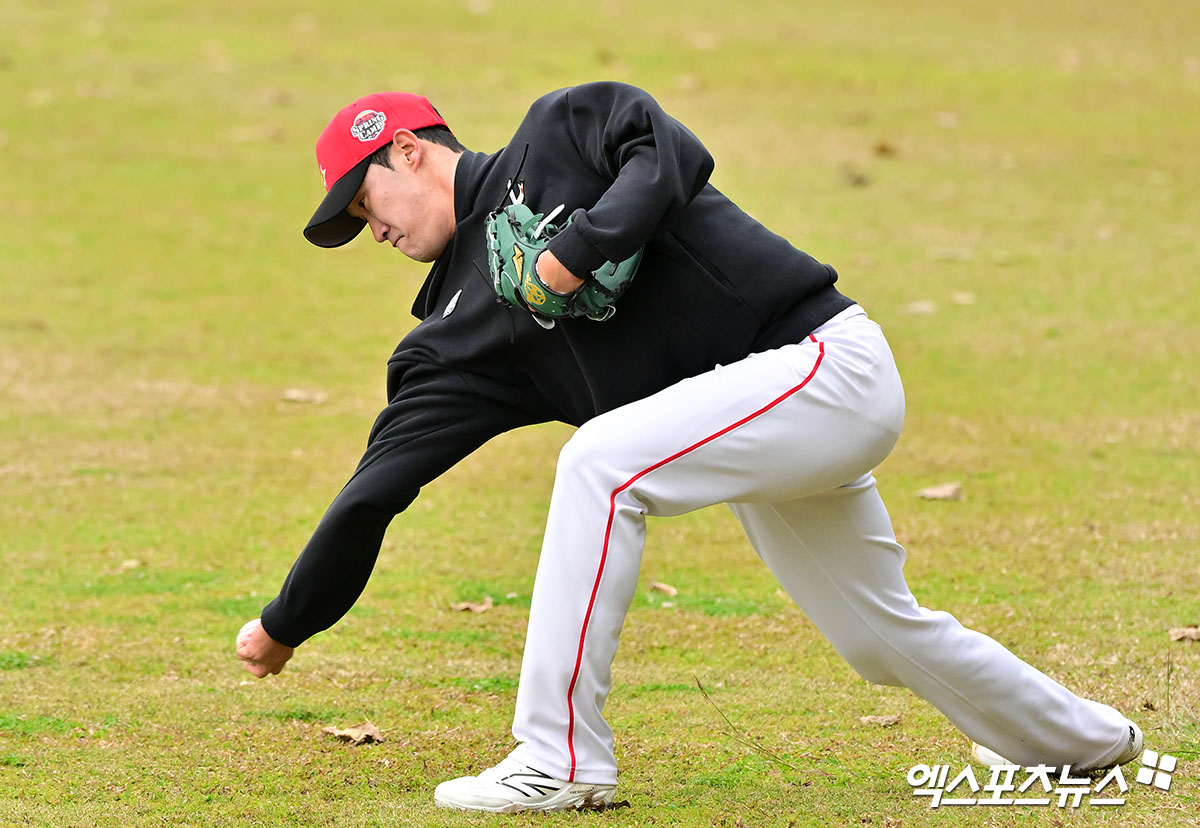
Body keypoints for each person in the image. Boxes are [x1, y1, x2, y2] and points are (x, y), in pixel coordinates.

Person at [234, 82, 1141, 813]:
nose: (371, 228)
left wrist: (578, 249)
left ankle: (559, 758)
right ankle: (1086, 742)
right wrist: (286, 620)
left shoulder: (560, 129)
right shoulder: (455, 334)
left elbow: (667, 152)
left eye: (364, 199)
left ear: (407, 149)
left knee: (600, 464)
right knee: (876, 638)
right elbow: (379, 484)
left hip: (826, 364)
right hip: (764, 430)